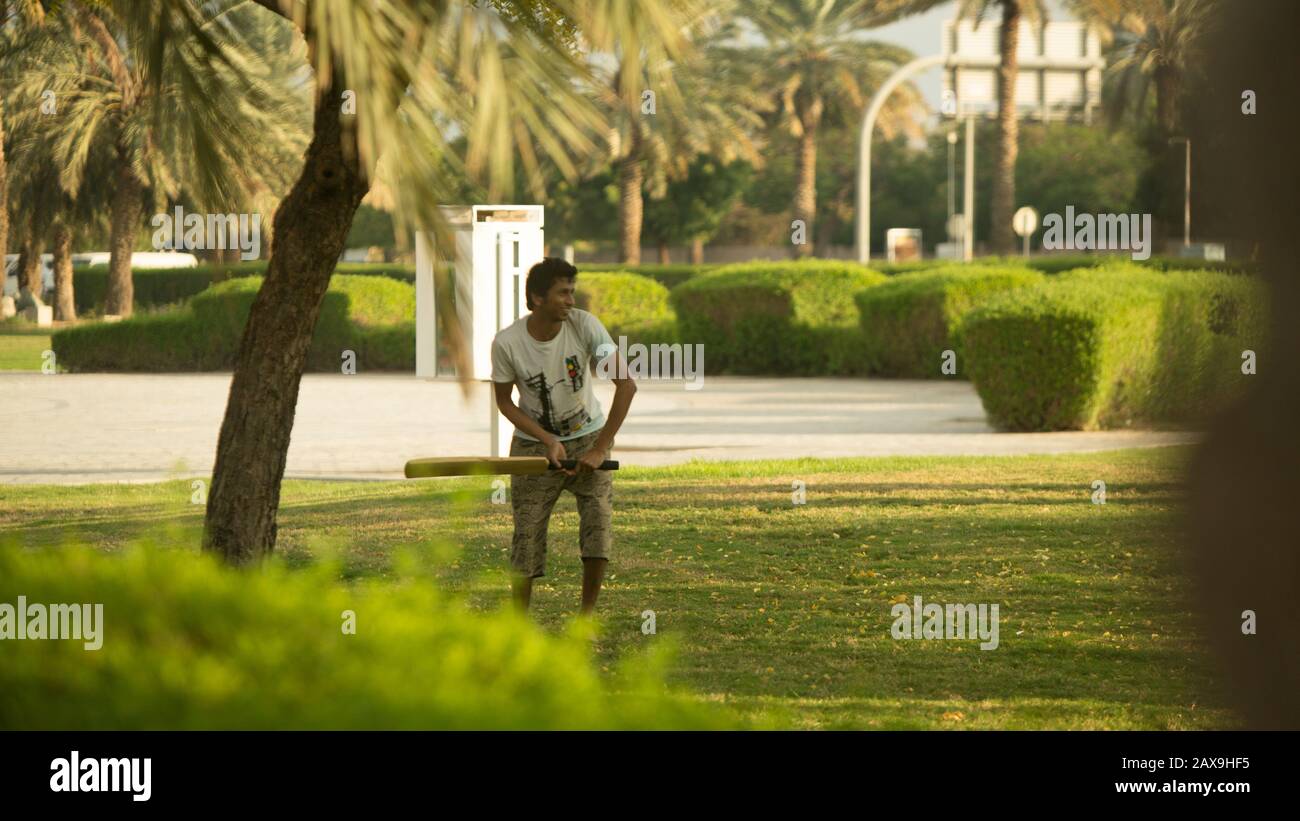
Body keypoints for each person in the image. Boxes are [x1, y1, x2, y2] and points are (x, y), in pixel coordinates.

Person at [490, 258, 637, 615]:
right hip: (533, 446)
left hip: (589, 438)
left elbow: (626, 385)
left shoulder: (586, 326)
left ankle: (586, 618)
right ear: (537, 298)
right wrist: (546, 439)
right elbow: (505, 403)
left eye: (572, 292)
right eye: (563, 293)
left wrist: (600, 449)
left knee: (597, 525)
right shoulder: (507, 343)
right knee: (526, 534)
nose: (571, 301)